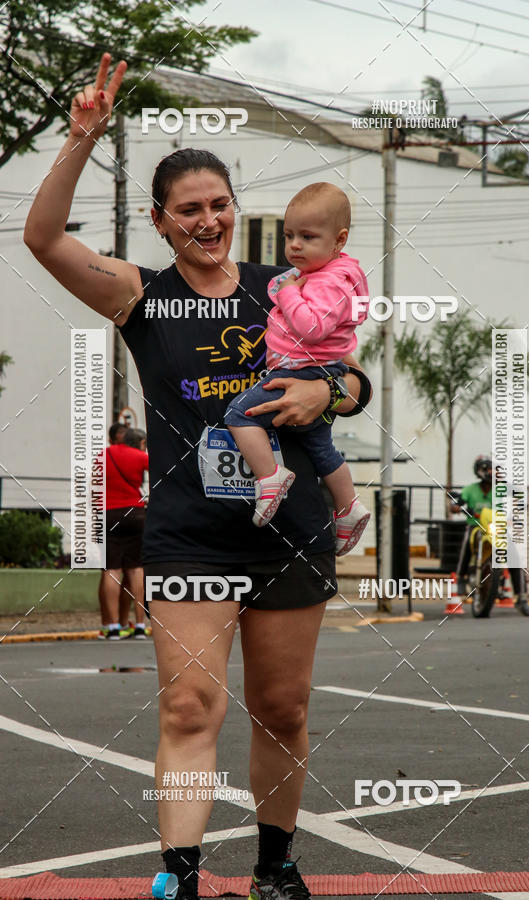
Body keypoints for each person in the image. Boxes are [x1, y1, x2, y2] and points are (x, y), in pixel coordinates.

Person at [24, 54, 372, 900]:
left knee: (282, 710)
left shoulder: (283, 286)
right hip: (188, 532)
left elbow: (355, 383)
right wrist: (79, 139)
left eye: (219, 205)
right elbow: (43, 240)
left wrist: (327, 387)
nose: (208, 221)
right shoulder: (138, 295)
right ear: (161, 220)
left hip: (288, 530)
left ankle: (277, 865)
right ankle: (179, 874)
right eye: (190, 211)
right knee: (189, 709)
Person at [225, 183, 370, 555]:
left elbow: (311, 327)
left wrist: (289, 291)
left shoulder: (327, 283)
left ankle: (270, 475)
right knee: (322, 447)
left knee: (240, 414)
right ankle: (349, 506)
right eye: (289, 235)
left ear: (339, 240)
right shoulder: (332, 275)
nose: (294, 246)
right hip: (321, 369)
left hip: (301, 370)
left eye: (307, 236)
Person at [451, 455, 529, 616]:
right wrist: (457, 505)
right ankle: (460, 578)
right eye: (487, 469)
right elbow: (456, 504)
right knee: (467, 543)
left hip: (497, 528)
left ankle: (521, 597)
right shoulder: (470, 489)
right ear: (479, 471)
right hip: (476, 527)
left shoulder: (501, 487)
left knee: (514, 557)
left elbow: (519, 496)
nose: (491, 472)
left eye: (493, 469)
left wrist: (519, 508)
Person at [97, 425, 150, 640]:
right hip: (136, 514)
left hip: (108, 514)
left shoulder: (104, 454)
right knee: (136, 570)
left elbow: (94, 486)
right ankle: (139, 624)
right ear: (139, 442)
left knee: (111, 570)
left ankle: (112, 628)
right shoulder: (141, 456)